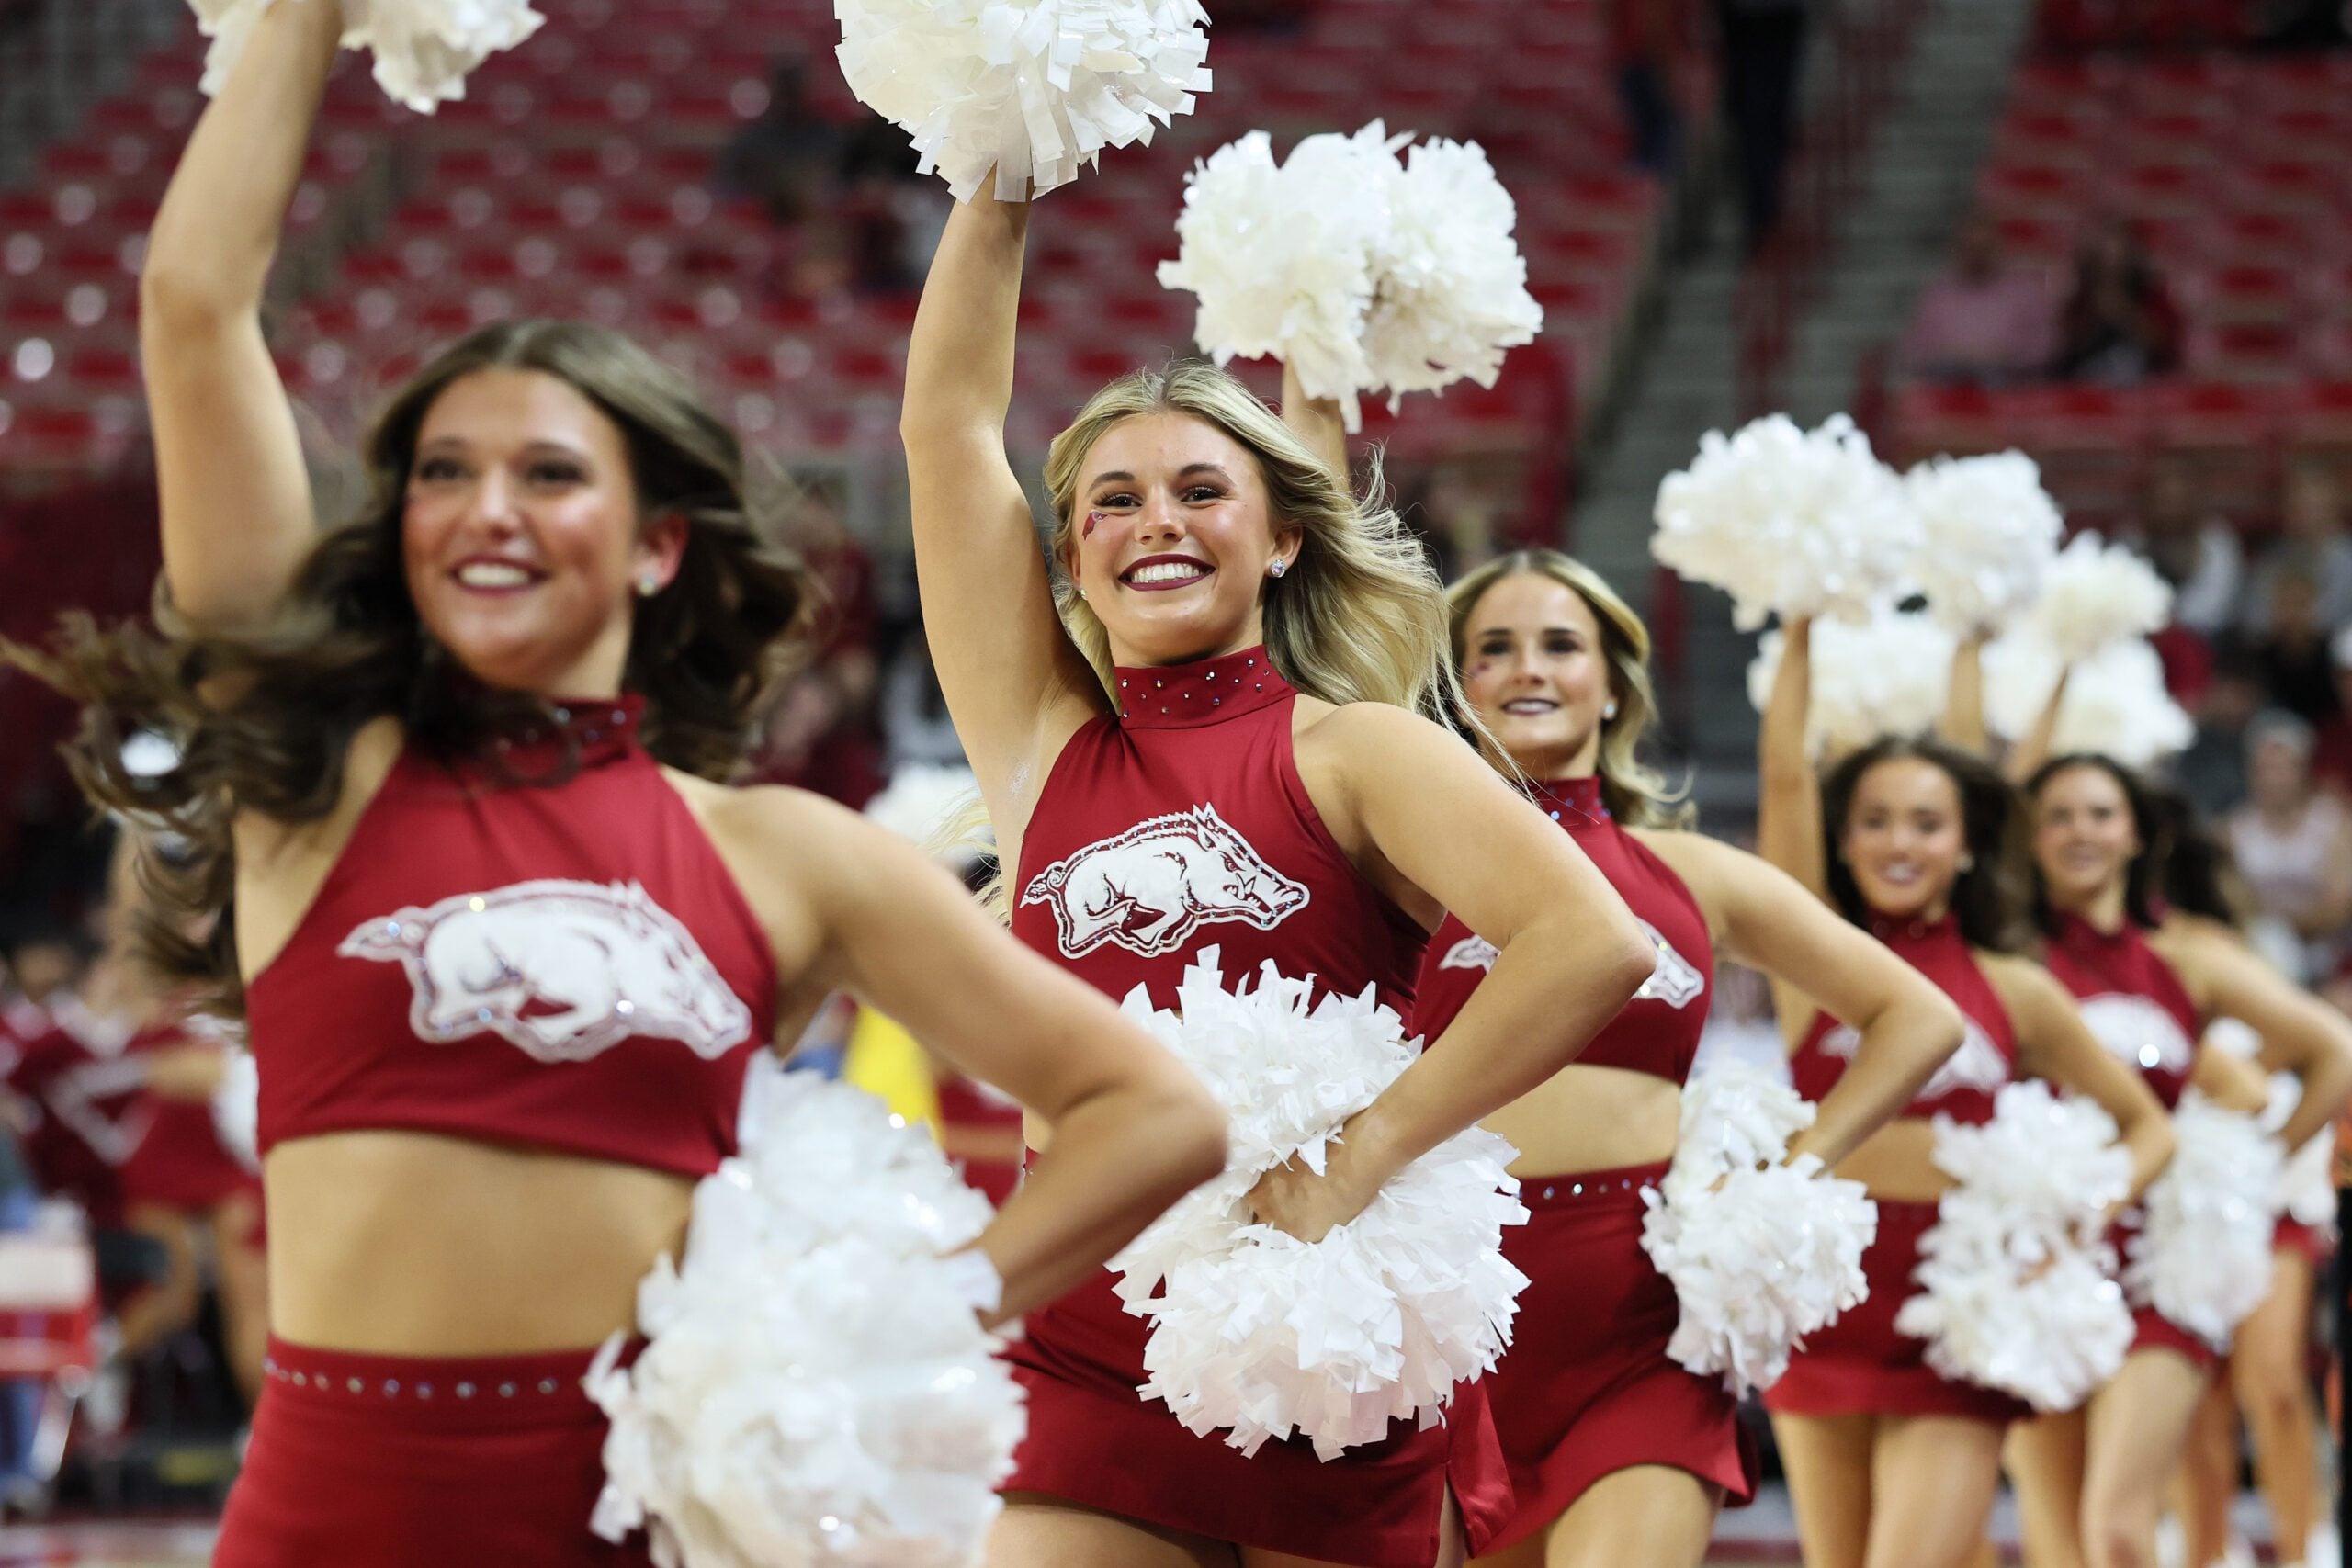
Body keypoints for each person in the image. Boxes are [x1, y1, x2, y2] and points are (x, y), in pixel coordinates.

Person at [5, 5, 1227, 1561]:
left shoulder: (782, 854)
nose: (483, 509)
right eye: (442, 472)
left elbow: (1155, 1113)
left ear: (659, 544)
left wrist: (896, 1331)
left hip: (633, 1521)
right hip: (327, 1518)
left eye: (549, 472)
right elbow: (192, 306)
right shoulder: (317, 779)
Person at [902, 186, 1657, 1567]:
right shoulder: (1043, 745)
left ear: (1283, 533)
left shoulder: (1358, 747)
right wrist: (997, 171)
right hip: (1086, 1337)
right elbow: (949, 430)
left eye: (1203, 490)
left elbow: (1591, 942)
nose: (1155, 522)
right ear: (1070, 549)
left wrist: (1361, 1155)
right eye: (1111, 500)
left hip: (1318, 1338)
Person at [1409, 549, 1965, 1568]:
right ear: (1456, 684)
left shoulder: (1690, 872)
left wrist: (1787, 1170)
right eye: (1494, 648)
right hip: (1441, 1322)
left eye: (1560, 645)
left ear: (1613, 683)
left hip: (1643, 1325)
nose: (1528, 667)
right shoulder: (1401, 865)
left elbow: (1916, 1016)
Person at [1754, 618, 2173, 1568]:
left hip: (1958, 1311)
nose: (1899, 842)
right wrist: (1798, 624)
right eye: (1874, 820)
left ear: (1969, 845)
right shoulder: (1817, 968)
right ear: (1844, 841)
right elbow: (1785, 783)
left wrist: (2080, 1216)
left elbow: (2147, 1128)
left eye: (1926, 822)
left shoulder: (2014, 987)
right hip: (1824, 1304)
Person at [2005, 755, 2352, 1568]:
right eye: (2058, 815)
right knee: (2058, 1542)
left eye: (2100, 812)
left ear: (2133, 833)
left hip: (2161, 1266)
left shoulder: (2186, 955)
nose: (2080, 831)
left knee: (2118, 1528)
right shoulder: (2010, 958)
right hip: (2043, 1262)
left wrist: (2247, 1170)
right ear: (2031, 835)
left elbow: (2332, 1049)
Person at [2228, 711, 2352, 985]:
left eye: (2283, 768)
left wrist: (2277, 925)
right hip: (2262, 960)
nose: (2274, 779)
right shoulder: (2234, 831)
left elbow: (2339, 907)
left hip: (2330, 960)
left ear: (2304, 769)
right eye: (2265, 768)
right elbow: (2233, 903)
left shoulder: (2335, 822)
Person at [1896, 214, 2059, 387]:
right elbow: (1913, 352)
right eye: (1971, 248)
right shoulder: (1936, 295)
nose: (1977, 255)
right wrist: (1953, 356)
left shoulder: (2026, 293)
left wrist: (2006, 355)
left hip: (2010, 392)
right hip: (1947, 393)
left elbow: (2046, 348)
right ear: (1958, 249)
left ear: (1998, 247)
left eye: (1983, 248)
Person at [2117, 455, 2243, 641]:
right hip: (2143, 635)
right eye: (2163, 498)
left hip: (2204, 636)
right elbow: (2121, 596)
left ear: (2193, 498)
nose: (2170, 508)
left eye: (2177, 498)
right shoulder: (2130, 538)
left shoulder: (2217, 540)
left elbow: (2217, 606)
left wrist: (2171, 621)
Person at [2050, 219, 2181, 383]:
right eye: (2104, 251)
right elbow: (2064, 346)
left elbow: (2164, 343)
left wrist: (2124, 312)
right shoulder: (2079, 297)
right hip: (2085, 385)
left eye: (2120, 248)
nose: (2113, 256)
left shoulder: (2151, 294)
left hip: (2143, 385)